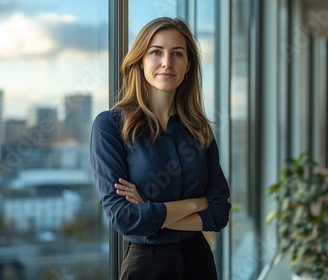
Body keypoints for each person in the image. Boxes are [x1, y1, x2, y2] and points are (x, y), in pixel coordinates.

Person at [90, 17, 231, 280]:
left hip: (199, 263)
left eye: (177, 54)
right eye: (156, 52)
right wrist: (194, 203)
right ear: (140, 61)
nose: (167, 62)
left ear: (188, 66)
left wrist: (150, 209)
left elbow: (219, 212)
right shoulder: (110, 127)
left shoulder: (199, 130)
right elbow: (124, 218)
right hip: (147, 265)